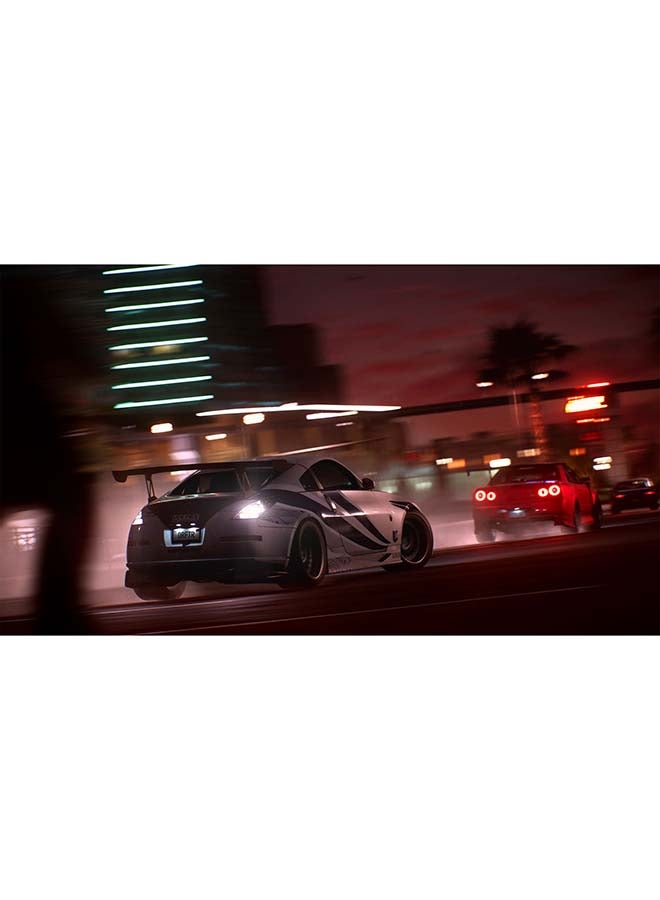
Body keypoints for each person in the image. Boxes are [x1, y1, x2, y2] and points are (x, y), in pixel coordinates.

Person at [0, 266, 97, 633]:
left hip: (26, 432)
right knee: (72, 500)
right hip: (30, 432)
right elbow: (80, 359)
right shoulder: (23, 291)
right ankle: (59, 611)